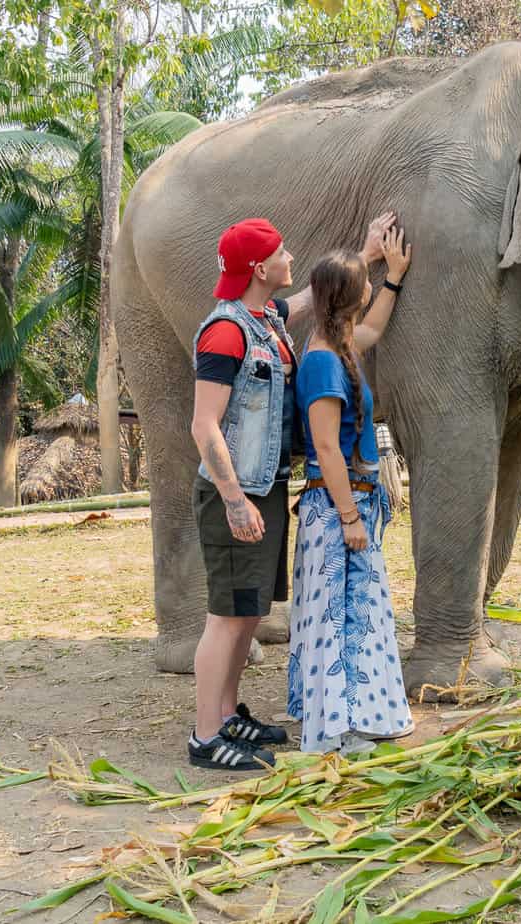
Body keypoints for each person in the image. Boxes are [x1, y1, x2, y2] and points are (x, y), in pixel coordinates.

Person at [188, 212, 397, 771]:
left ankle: (227, 715)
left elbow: (317, 296)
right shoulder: (226, 331)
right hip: (237, 494)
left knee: (248, 613)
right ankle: (206, 735)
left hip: (266, 487)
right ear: (260, 269)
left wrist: (368, 256)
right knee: (225, 617)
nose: (290, 258)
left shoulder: (267, 318)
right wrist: (234, 499)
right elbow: (204, 425)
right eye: (280, 253)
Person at [287, 228, 414, 755]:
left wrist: (394, 277)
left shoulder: (339, 345)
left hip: (351, 500)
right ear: (351, 296)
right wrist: (349, 516)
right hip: (336, 505)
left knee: (357, 608)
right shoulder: (322, 361)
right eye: (366, 283)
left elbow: (375, 327)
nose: (370, 289)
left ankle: (361, 717)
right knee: (342, 616)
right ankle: (339, 730)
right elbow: (325, 446)